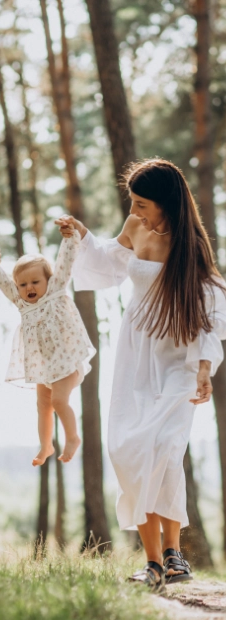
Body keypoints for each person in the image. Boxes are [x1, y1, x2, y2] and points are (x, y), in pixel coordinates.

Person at [57, 158, 226, 591]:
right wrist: (80, 238)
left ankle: (173, 553)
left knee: (165, 448)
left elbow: (211, 312)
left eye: (142, 203)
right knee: (129, 448)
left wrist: (204, 368)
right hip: (135, 352)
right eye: (132, 202)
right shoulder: (134, 228)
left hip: (178, 358)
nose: (135, 211)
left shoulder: (191, 246)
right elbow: (107, 265)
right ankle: (153, 562)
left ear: (166, 202)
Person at [0, 230, 95, 466]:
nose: (29, 287)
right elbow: (3, 282)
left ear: (48, 281)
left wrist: (69, 238)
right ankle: (46, 446)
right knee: (43, 405)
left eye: (35, 282)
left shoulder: (54, 292)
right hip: (44, 368)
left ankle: (73, 437)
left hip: (65, 363)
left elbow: (65, 263)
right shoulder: (22, 303)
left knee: (59, 401)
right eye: (23, 284)